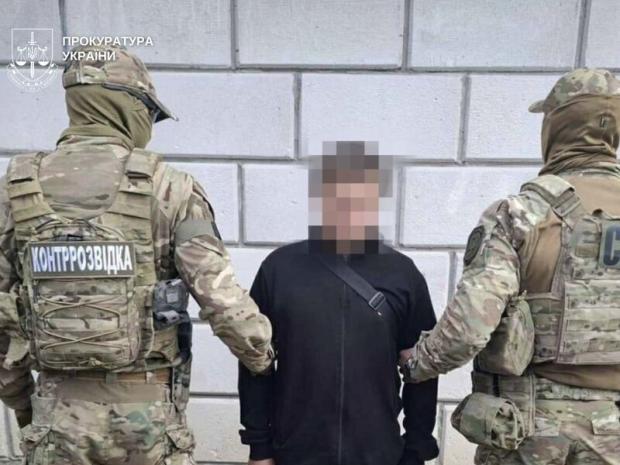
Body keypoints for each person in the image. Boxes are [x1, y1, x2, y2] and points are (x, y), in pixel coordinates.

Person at [0, 44, 273, 465]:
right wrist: (264, 360)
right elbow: (222, 301)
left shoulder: (16, 190)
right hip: (148, 419)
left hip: (56, 414)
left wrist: (23, 405)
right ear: (129, 105)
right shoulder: (172, 188)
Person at [400, 69, 620, 465]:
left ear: (557, 127)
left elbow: (469, 328)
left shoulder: (522, 215)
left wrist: (418, 362)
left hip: (529, 432)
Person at [238, 144, 439, 465]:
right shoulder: (278, 270)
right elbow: (254, 364)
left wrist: (416, 450)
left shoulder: (403, 274)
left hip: (379, 455)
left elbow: (423, 372)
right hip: (295, 453)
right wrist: (259, 447)